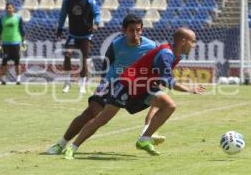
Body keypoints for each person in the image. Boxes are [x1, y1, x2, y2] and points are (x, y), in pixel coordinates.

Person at [63, 27, 205, 159]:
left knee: (169, 105)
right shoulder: (166, 54)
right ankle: (73, 147)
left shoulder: (175, 55)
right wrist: (189, 89)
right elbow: (167, 81)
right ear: (183, 41)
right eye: (193, 41)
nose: (194, 45)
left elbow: (160, 77)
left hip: (144, 88)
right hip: (127, 85)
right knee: (102, 120)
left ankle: (144, 139)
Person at [47, 14, 165, 155]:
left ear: (142, 30)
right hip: (113, 83)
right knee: (91, 113)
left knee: (162, 100)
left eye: (138, 30)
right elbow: (106, 64)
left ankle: (145, 136)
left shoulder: (151, 46)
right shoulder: (116, 44)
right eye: (131, 30)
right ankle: (61, 144)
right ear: (124, 30)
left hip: (136, 85)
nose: (135, 34)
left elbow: (158, 65)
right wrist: (103, 84)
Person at [56, 0, 101, 93]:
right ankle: (67, 82)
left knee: (83, 58)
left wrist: (96, 24)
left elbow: (97, 13)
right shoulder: (67, 0)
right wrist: (60, 29)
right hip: (73, 34)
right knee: (67, 54)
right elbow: (62, 15)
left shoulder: (89, 0)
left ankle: (82, 84)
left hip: (86, 34)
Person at [0, 2, 26, 85]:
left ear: (13, 9)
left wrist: (24, 41)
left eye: (10, 8)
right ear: (6, 9)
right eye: (7, 8)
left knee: (17, 61)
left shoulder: (18, 18)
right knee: (4, 61)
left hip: (16, 42)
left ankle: (18, 79)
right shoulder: (2, 18)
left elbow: (22, 30)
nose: (9, 9)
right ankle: (3, 79)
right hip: (5, 43)